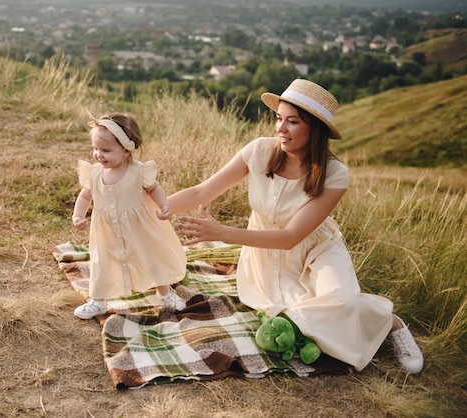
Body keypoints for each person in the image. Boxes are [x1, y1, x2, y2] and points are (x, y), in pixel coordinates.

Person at [168, 79, 424, 374]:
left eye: (292, 122)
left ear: (314, 128)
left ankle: (392, 323)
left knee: (343, 300)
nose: (281, 128)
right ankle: (352, 323)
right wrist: (155, 208)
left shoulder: (335, 174)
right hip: (266, 257)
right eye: (279, 119)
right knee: (295, 314)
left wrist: (222, 233)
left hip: (317, 249)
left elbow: (291, 237)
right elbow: (201, 193)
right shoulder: (258, 151)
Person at [71, 108, 187, 320]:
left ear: (126, 150)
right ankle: (97, 301)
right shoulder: (95, 172)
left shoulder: (138, 171)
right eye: (95, 148)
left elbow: (154, 189)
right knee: (101, 263)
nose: (98, 155)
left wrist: (164, 206)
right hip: (105, 230)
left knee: (151, 258)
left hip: (139, 228)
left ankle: (165, 293)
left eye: (105, 150)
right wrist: (78, 215)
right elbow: (85, 196)